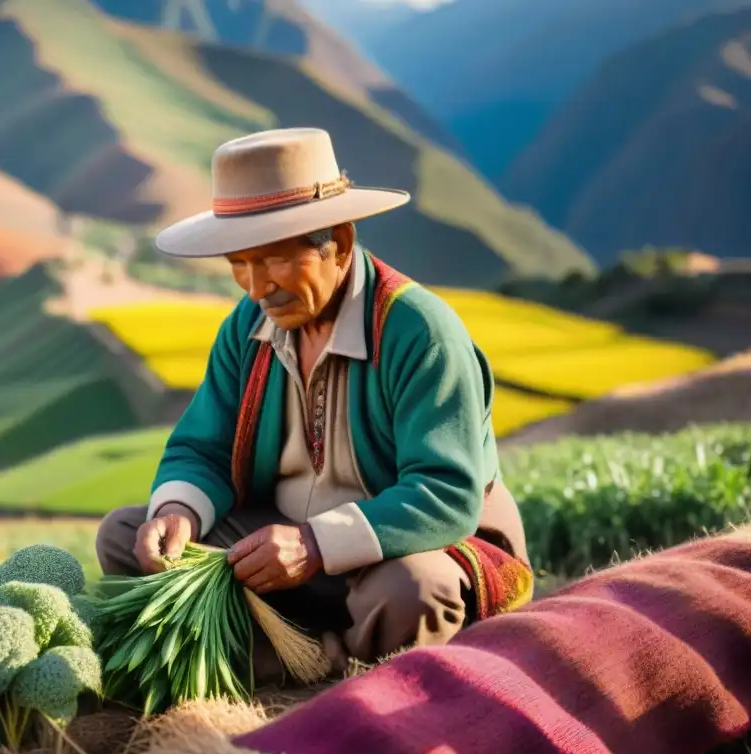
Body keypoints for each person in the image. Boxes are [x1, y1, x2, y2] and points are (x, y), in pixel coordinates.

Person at [95, 127, 533, 676]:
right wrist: (179, 512)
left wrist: (315, 545)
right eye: (239, 264)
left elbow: (445, 494)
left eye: (274, 260)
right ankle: (306, 651)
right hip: (277, 547)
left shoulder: (420, 333)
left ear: (341, 244)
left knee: (415, 592)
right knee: (123, 535)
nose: (256, 287)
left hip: (394, 552)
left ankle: (307, 663)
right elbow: (203, 448)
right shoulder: (247, 329)